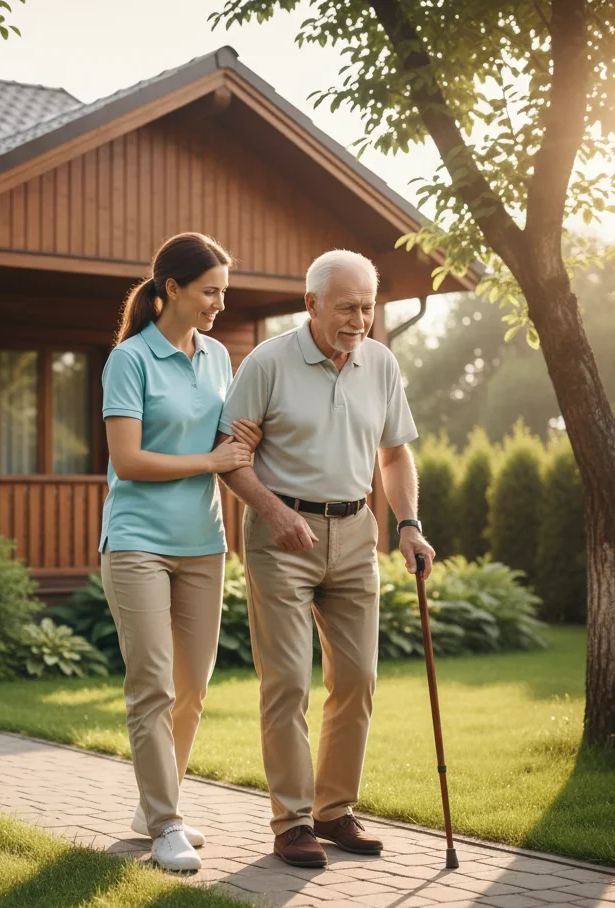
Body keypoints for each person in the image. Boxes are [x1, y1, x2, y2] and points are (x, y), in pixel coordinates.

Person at [217, 249, 435, 868]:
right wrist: (275, 512)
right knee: (287, 682)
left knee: (358, 678)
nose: (359, 319)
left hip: (355, 531)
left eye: (367, 307)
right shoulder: (268, 362)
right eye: (347, 307)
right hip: (281, 534)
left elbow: (394, 456)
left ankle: (334, 811)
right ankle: (292, 822)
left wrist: (410, 525)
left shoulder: (381, 364)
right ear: (311, 304)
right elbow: (231, 453)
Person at [100, 231, 262, 873]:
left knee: (192, 688)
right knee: (152, 687)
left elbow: (227, 438)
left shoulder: (218, 356)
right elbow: (127, 460)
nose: (219, 303)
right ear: (172, 288)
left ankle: (152, 804)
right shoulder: (130, 360)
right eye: (210, 291)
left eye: (223, 291)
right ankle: (166, 823)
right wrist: (212, 458)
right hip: (138, 541)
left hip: (203, 542)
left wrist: (242, 438)